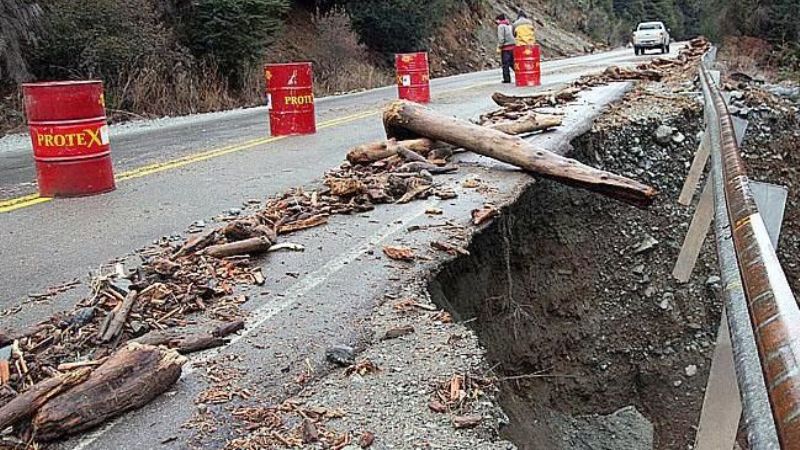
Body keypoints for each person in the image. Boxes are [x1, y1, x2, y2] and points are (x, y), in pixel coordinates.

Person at [496, 14, 515, 83]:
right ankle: (520, 74)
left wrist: (499, 47)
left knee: (505, 64)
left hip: (506, 48)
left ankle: (507, 79)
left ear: (498, 20)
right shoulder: (509, 25)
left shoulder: (501, 26)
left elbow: (501, 39)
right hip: (513, 47)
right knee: (512, 63)